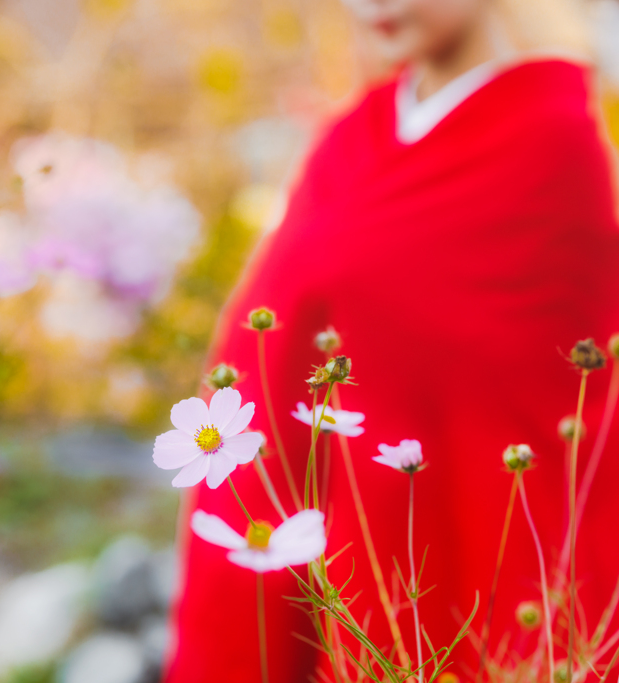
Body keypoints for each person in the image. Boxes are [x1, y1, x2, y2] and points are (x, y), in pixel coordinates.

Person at [164, 0, 619, 681]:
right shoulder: (353, 133)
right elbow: (285, 316)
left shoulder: (552, 135)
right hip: (335, 527)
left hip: (466, 544)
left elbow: (557, 407)